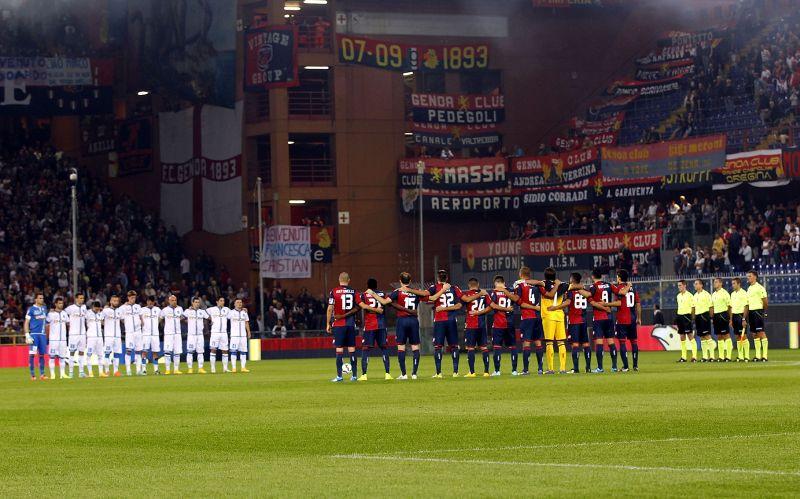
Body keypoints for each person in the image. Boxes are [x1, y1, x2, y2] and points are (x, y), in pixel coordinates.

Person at [427, 269, 463, 378]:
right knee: (454, 346)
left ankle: (439, 373)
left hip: (439, 321)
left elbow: (431, 298)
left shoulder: (434, 288)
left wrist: (442, 308)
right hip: (452, 320)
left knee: (438, 347)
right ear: (447, 278)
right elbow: (459, 305)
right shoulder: (454, 288)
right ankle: (455, 372)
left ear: (437, 278)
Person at [389, 272, 425, 380]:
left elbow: (388, 302)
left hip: (402, 320)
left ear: (400, 280)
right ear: (410, 281)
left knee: (401, 346)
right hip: (414, 321)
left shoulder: (397, 292)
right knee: (415, 346)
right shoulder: (417, 292)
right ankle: (414, 374)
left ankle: (404, 374)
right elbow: (427, 296)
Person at [327, 272, 361, 382]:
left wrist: (328, 323)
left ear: (339, 280)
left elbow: (329, 309)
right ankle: (354, 376)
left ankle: (339, 376)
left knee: (339, 349)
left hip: (339, 324)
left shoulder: (334, 291)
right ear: (349, 280)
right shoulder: (354, 291)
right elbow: (359, 306)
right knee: (352, 349)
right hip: (350, 324)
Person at [586, 268, 620, 373]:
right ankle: (614, 367)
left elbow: (590, 300)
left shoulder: (593, 287)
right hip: (609, 317)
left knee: (599, 343)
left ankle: (600, 368)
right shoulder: (609, 285)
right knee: (611, 342)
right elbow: (619, 294)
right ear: (601, 276)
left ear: (592, 276)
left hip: (598, 318)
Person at [512, 267, 544, 375]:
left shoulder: (520, 285)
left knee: (526, 343)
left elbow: (518, 301)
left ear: (521, 274)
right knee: (538, 342)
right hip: (537, 317)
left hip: (527, 317)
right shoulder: (536, 285)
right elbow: (546, 294)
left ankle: (526, 370)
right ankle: (540, 369)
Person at [359, 278, 393, 381]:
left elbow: (362, 306)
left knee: (366, 349)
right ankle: (387, 374)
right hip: (381, 325)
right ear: (376, 285)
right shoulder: (382, 294)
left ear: (367, 285)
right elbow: (388, 304)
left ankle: (364, 375)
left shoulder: (364, 295)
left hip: (370, 325)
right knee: (384, 348)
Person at [540, 268, 572, 374]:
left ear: (545, 276)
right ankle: (562, 369)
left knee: (549, 342)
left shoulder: (544, 284)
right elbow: (569, 298)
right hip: (559, 315)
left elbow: (548, 294)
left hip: (548, 315)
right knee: (561, 342)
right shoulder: (563, 285)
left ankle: (551, 369)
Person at [461, 278, 492, 377]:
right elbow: (491, 306)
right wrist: (480, 312)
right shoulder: (484, 294)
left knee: (470, 348)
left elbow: (462, 304)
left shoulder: (466, 294)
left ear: (469, 285)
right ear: (478, 284)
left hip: (471, 324)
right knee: (484, 347)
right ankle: (486, 372)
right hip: (482, 324)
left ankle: (472, 372)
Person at [488, 275, 516, 376]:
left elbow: (493, 305)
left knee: (497, 347)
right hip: (510, 322)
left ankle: (497, 371)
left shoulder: (494, 292)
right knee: (513, 346)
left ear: (496, 283)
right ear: (504, 283)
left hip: (499, 323)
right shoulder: (511, 291)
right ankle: (514, 371)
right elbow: (516, 300)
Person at [612, 270, 639, 372]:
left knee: (622, 343)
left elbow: (618, 302)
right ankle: (635, 366)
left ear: (619, 277)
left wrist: (607, 304)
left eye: (616, 276)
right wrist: (639, 317)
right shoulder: (633, 288)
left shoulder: (619, 288)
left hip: (622, 318)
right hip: (632, 318)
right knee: (634, 342)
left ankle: (626, 367)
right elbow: (638, 304)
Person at [564, 273, 591, 373]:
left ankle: (576, 369)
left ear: (573, 279)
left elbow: (568, 302)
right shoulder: (584, 290)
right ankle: (588, 368)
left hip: (574, 321)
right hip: (583, 320)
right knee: (586, 344)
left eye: (570, 278)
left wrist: (556, 308)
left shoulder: (570, 291)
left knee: (575, 345)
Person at [744, 270, 769, 362]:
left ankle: (765, 356)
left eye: (749, 276)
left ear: (755, 277)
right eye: (748, 276)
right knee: (754, 334)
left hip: (758, 311)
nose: (748, 278)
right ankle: (758, 355)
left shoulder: (760, 288)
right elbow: (747, 304)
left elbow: (765, 301)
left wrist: (763, 311)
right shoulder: (749, 289)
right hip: (751, 312)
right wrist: (744, 317)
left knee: (761, 332)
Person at [119, 290, 143, 376]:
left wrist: (141, 323)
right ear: (128, 297)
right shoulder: (123, 308)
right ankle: (128, 370)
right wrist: (127, 325)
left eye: (134, 297)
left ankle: (138, 370)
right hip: (129, 332)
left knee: (138, 351)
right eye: (132, 298)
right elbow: (121, 319)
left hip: (138, 332)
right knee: (128, 351)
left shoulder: (138, 306)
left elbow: (141, 317)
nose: (133, 299)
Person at [24, 293, 48, 380]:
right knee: (32, 355)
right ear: (36, 299)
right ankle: (33, 375)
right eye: (40, 298)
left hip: (42, 335)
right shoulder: (31, 309)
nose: (42, 299)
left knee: (42, 355)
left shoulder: (44, 308)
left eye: (43, 298)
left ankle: (42, 374)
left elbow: (46, 322)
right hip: (34, 335)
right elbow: (26, 322)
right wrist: (27, 335)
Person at [46, 297, 70, 379]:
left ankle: (62, 374)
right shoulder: (50, 314)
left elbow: (68, 324)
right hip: (53, 339)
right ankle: (52, 375)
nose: (61, 305)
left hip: (63, 339)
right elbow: (46, 325)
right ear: (55, 304)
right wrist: (47, 337)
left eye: (62, 303)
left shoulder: (64, 313)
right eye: (59, 303)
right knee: (52, 357)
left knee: (62, 358)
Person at [183, 297, 209, 374]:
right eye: (196, 302)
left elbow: (209, 317)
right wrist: (186, 322)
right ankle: (190, 368)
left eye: (198, 302)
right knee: (190, 352)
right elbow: (181, 317)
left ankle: (200, 368)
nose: (197, 303)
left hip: (200, 335)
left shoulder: (202, 312)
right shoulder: (188, 311)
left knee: (200, 352)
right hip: (191, 335)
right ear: (192, 303)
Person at [160, 294, 184, 375]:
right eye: (172, 300)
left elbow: (182, 317)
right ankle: (167, 370)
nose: (174, 302)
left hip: (177, 333)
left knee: (177, 352)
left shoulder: (180, 309)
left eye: (175, 300)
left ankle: (176, 369)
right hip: (168, 334)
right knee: (167, 352)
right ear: (169, 301)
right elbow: (160, 319)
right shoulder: (165, 310)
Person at [65, 293, 87, 378]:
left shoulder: (84, 307)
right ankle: (71, 372)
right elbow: (63, 314)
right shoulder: (70, 308)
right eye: (80, 298)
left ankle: (81, 372)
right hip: (73, 334)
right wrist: (68, 323)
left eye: (83, 298)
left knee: (81, 352)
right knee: (72, 352)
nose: (82, 300)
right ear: (76, 299)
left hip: (82, 334)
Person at [710, 277, 732, 362]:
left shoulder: (725, 293)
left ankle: (728, 356)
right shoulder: (714, 294)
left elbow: (729, 306)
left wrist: (730, 318)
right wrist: (712, 317)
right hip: (716, 316)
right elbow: (712, 307)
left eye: (716, 282)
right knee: (719, 336)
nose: (714, 283)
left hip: (723, 314)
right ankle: (721, 356)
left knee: (726, 335)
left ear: (720, 283)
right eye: (714, 282)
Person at [207, 297, 231, 373]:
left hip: (224, 333)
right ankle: (213, 368)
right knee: (213, 349)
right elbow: (203, 312)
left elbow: (234, 313)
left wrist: (243, 310)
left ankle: (225, 368)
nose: (222, 302)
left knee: (225, 350)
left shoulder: (227, 310)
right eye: (221, 301)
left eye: (223, 301)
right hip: (215, 332)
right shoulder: (212, 309)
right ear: (217, 302)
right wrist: (210, 319)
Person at [693, 279, 714, 362]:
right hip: (698, 316)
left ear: (701, 285)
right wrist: (694, 317)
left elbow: (711, 307)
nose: (695, 285)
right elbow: (694, 308)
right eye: (695, 284)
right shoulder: (694, 295)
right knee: (701, 337)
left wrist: (710, 317)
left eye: (696, 284)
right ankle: (705, 356)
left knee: (707, 335)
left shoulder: (706, 294)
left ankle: (712, 356)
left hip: (704, 315)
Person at [675, 280, 697, 363]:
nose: (679, 287)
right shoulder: (678, 296)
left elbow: (693, 308)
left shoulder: (690, 296)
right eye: (678, 285)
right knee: (682, 337)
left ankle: (694, 356)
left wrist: (692, 318)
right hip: (680, 316)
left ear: (684, 286)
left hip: (687, 316)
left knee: (690, 336)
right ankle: (683, 357)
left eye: (680, 285)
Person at [227, 298, 251, 373]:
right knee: (233, 352)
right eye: (237, 302)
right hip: (234, 336)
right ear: (234, 304)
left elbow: (246, 323)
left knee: (243, 352)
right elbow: (224, 318)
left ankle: (243, 368)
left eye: (240, 302)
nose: (239, 303)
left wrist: (248, 332)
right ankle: (234, 368)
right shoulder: (230, 313)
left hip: (243, 335)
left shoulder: (244, 312)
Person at [102, 295, 123, 376]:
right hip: (108, 336)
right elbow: (100, 320)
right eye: (114, 301)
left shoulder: (119, 311)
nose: (115, 302)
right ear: (110, 301)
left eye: (117, 301)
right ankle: (107, 371)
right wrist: (106, 326)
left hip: (117, 336)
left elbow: (122, 320)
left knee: (117, 353)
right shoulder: (105, 310)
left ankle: (116, 371)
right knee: (107, 353)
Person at [140, 296, 161, 375]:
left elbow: (161, 317)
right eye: (149, 301)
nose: (150, 302)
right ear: (147, 301)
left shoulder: (158, 310)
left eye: (152, 301)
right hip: (146, 334)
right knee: (144, 351)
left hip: (155, 334)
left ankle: (156, 370)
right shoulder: (142, 310)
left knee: (155, 352)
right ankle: (144, 370)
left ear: (154, 302)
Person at [730, 277, 749, 362]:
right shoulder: (732, 294)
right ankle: (740, 356)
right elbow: (731, 308)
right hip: (734, 316)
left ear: (738, 284)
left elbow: (746, 306)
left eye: (734, 283)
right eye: (732, 283)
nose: (732, 285)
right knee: (737, 336)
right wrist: (731, 319)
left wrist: (744, 319)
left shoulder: (744, 293)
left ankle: (747, 356)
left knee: (743, 336)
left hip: (741, 315)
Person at [85, 301, 104, 377]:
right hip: (91, 337)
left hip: (99, 337)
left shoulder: (101, 314)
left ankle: (101, 372)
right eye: (96, 309)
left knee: (100, 355)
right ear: (92, 307)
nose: (97, 310)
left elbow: (102, 322)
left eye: (98, 309)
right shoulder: (87, 313)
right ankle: (90, 373)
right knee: (89, 355)